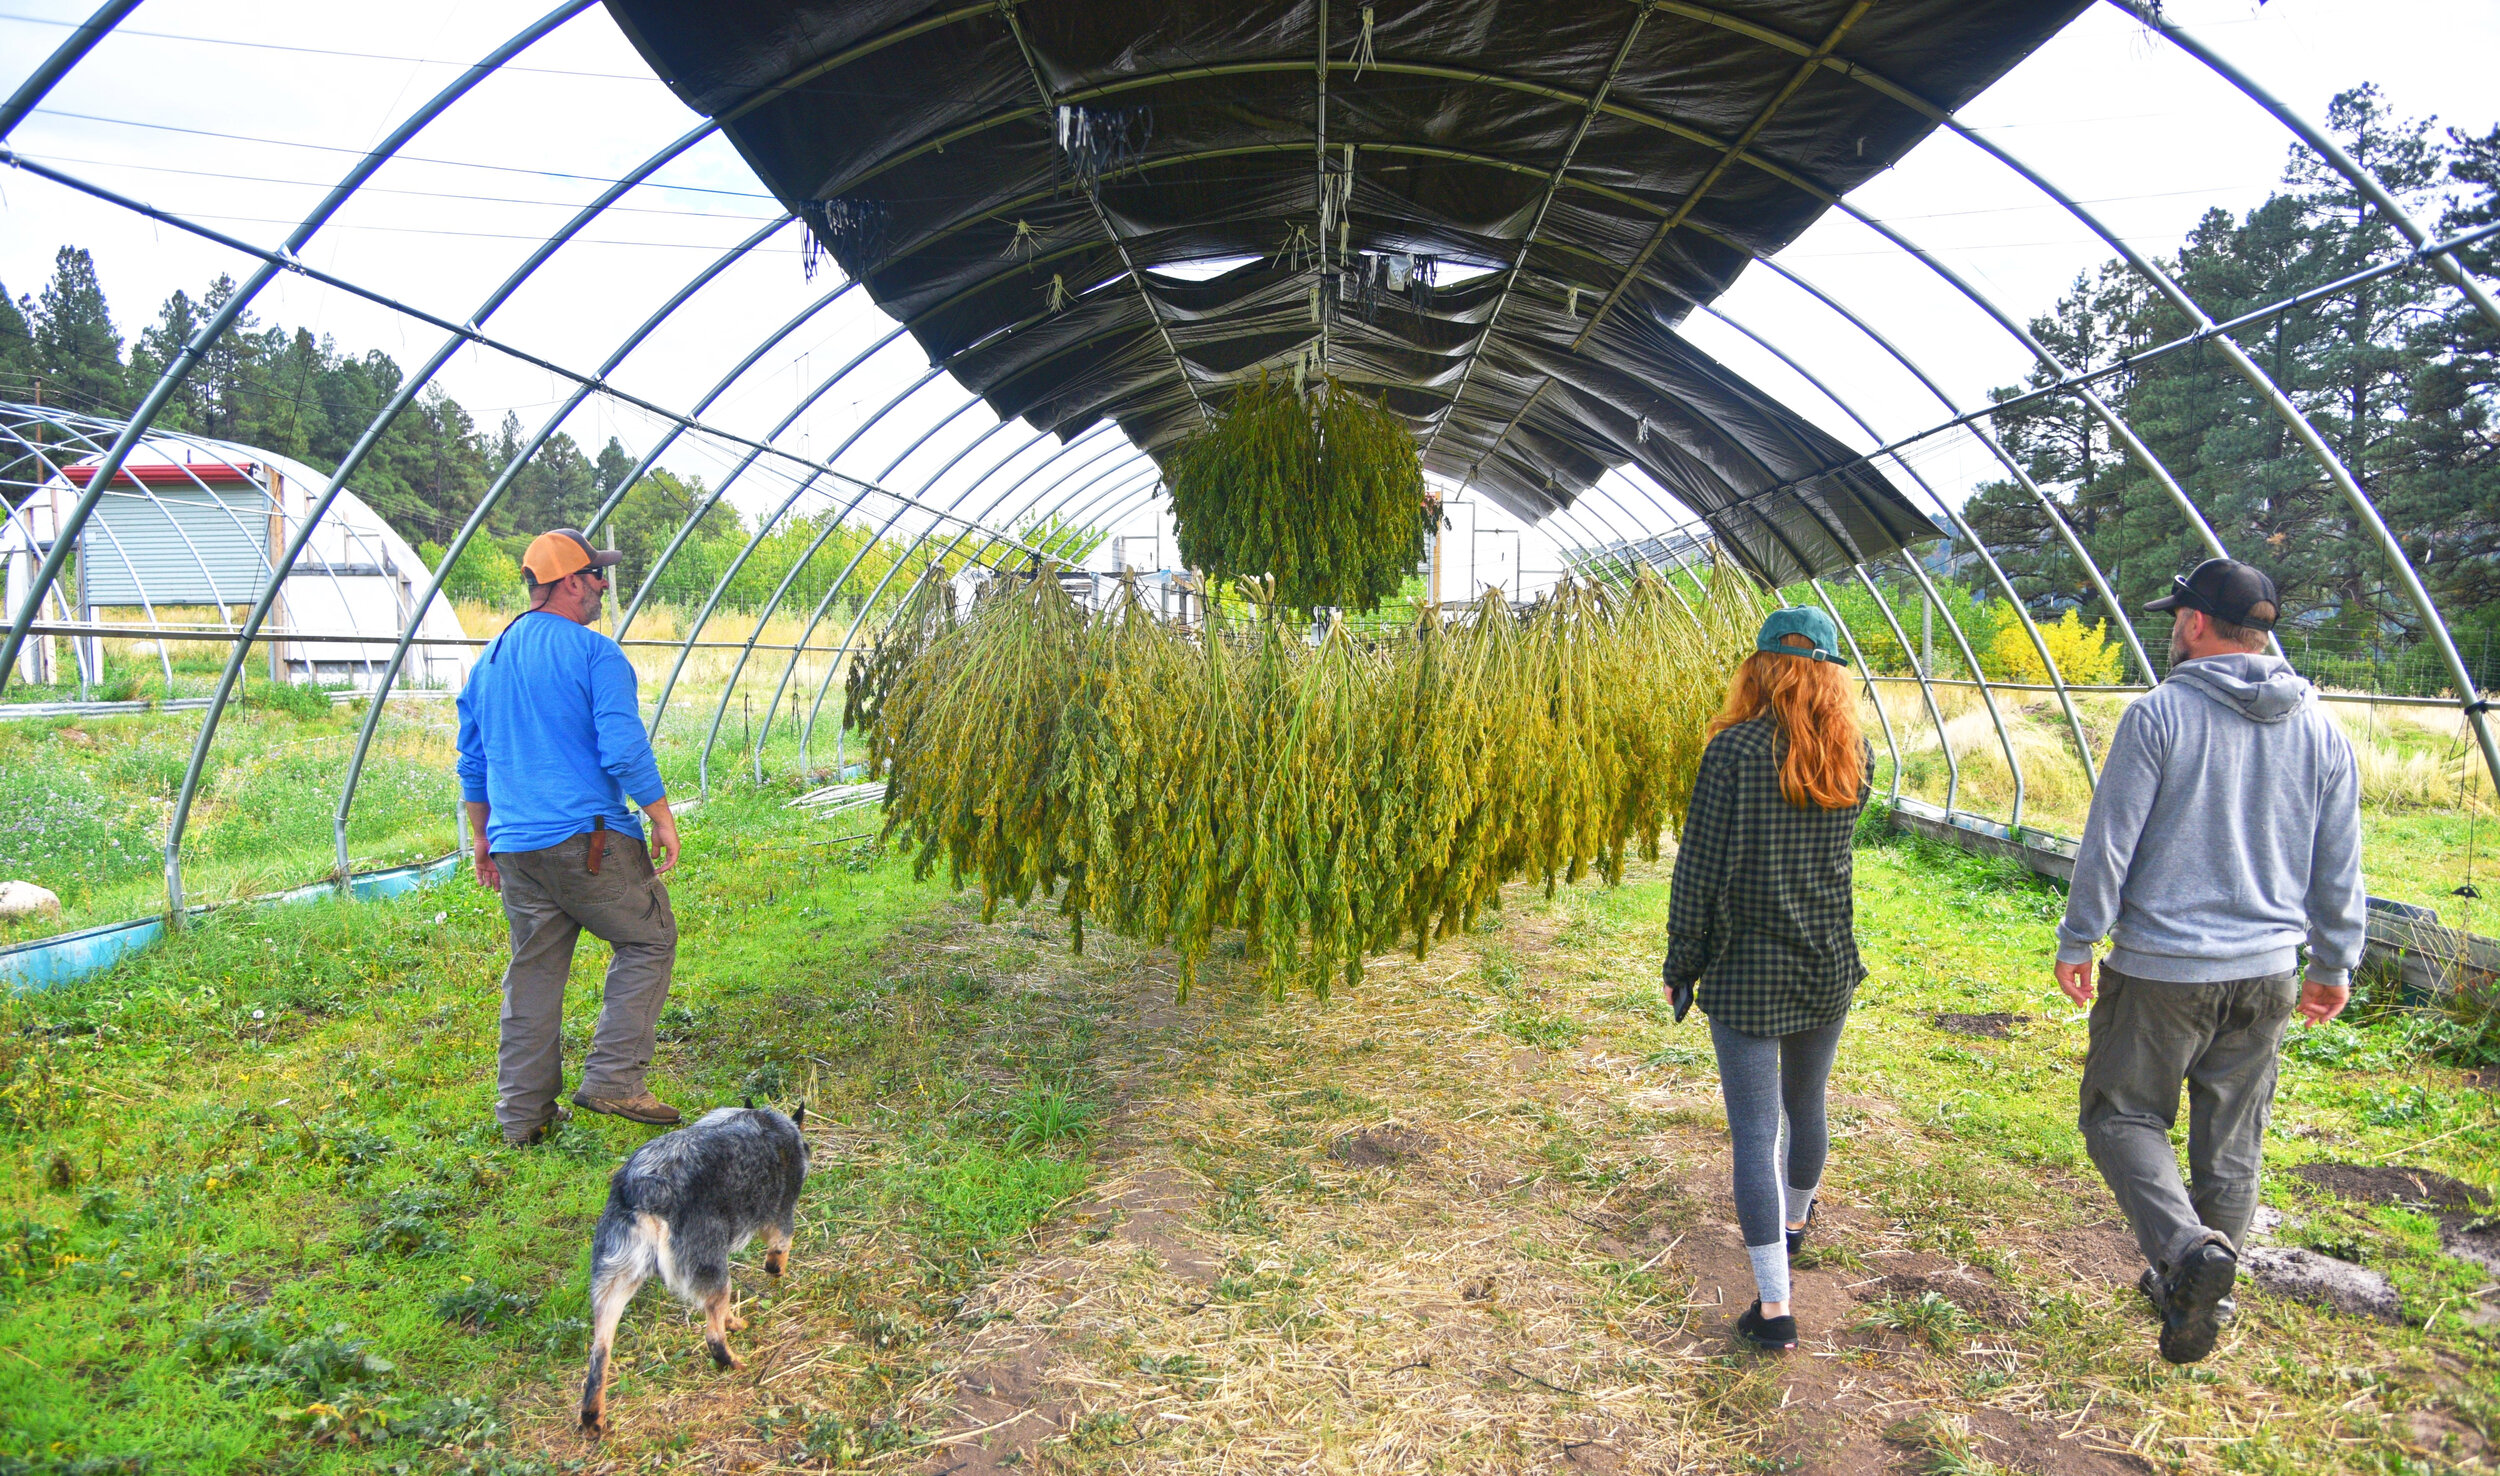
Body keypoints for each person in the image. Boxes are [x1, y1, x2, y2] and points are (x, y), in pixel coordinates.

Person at [2056, 557, 2364, 1365]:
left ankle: (2189, 1256)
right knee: (2231, 1144)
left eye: (2176, 616)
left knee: (2121, 1115)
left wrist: (2079, 936)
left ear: (2195, 623)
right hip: (2268, 972)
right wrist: (2335, 960)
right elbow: (2340, 862)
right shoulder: (2322, 728)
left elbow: (2110, 841)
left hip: (2162, 970)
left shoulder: (2160, 716)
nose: (2173, 629)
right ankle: (2199, 1293)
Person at [1664, 606, 1873, 1354]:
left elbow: (1698, 869)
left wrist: (1681, 961)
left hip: (1748, 969)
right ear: (1829, 674)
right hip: (1826, 962)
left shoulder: (1732, 752)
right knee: (1806, 1102)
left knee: (1756, 1132)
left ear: (1758, 668)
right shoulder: (1857, 755)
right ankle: (1795, 1220)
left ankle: (1776, 1308)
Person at [457, 528, 686, 1147]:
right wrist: (660, 814)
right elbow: (622, 745)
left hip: (516, 845)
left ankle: (523, 1118)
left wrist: (482, 837)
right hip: (587, 842)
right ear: (566, 582)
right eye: (594, 576)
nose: (603, 586)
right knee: (649, 937)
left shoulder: (491, 659)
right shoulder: (595, 653)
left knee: (533, 973)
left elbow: (473, 764)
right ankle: (613, 1077)